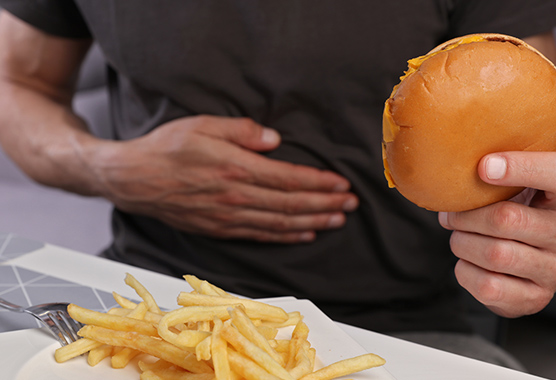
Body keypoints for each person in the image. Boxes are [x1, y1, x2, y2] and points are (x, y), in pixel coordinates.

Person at [0, 0, 555, 369]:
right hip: (149, 304)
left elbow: (528, 113)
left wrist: (533, 229)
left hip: (404, 326)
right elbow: (17, 79)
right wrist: (108, 167)